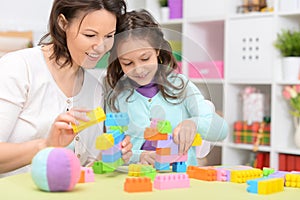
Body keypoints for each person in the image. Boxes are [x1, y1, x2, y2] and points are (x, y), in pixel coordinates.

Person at [0, 0, 133, 178]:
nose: (101, 47)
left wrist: (108, 156)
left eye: (109, 36)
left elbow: (85, 165)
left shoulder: (95, 88)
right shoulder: (19, 67)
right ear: (62, 23)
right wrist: (46, 145)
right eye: (90, 35)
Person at [105, 10, 229, 166]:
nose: (139, 69)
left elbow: (222, 131)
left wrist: (194, 123)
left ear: (157, 50)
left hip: (181, 179)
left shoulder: (180, 86)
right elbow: (114, 151)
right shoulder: (117, 98)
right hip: (137, 181)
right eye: (128, 63)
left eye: (145, 58)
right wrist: (139, 156)